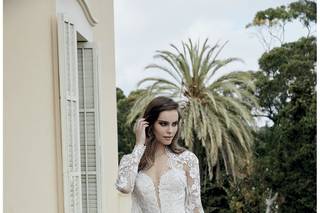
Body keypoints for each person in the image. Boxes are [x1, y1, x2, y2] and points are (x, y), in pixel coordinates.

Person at [115, 96, 204, 213]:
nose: (170, 130)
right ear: (150, 125)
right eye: (163, 124)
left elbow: (196, 207)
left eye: (174, 124)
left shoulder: (187, 159)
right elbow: (124, 187)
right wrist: (139, 145)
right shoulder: (132, 160)